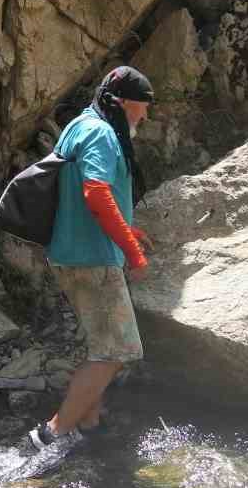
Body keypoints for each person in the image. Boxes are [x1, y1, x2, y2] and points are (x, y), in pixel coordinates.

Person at [24, 66, 155, 453]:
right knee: (119, 349)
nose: (145, 117)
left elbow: (79, 191)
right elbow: (95, 194)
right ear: (124, 103)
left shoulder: (81, 124)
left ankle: (90, 422)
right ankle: (50, 435)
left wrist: (128, 231)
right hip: (93, 259)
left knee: (102, 345)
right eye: (143, 108)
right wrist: (131, 252)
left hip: (69, 253)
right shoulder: (100, 133)